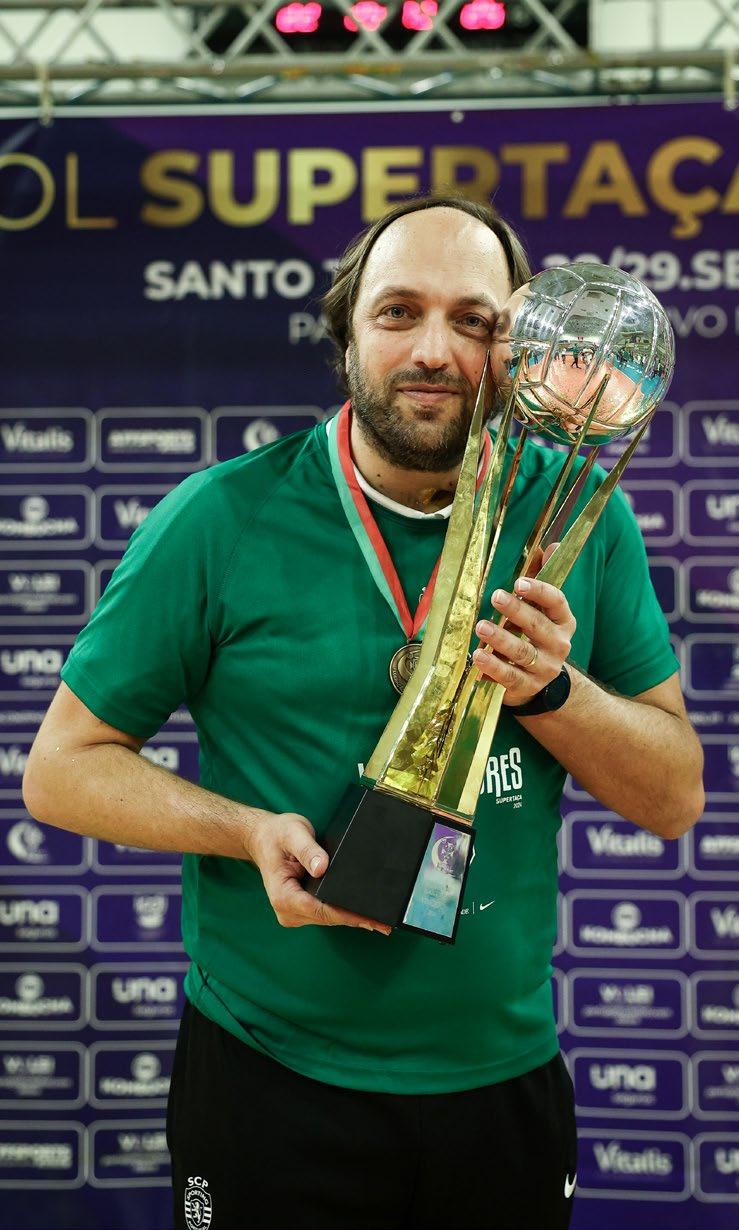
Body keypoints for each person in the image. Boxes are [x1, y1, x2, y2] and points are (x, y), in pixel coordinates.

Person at [22, 195, 704, 1230]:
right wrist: (245, 831)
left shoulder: (577, 519)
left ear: (519, 349)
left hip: (499, 1079)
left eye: (473, 322)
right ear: (346, 332)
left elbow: (672, 798)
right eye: (397, 312)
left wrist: (551, 689)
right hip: (267, 1076)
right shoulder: (220, 518)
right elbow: (61, 769)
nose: (433, 350)